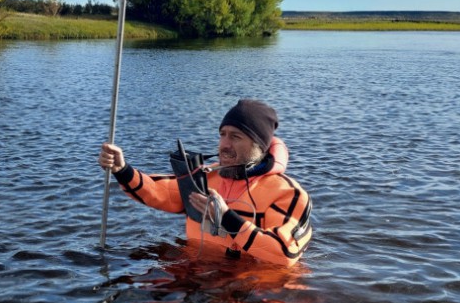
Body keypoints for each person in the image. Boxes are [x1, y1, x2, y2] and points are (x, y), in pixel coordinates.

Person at [98, 99, 312, 267]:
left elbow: (284, 253)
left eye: (236, 137)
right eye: (222, 135)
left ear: (259, 146)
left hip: (254, 294)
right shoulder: (206, 178)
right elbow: (161, 192)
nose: (224, 145)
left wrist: (227, 218)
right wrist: (122, 170)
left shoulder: (287, 193)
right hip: (201, 275)